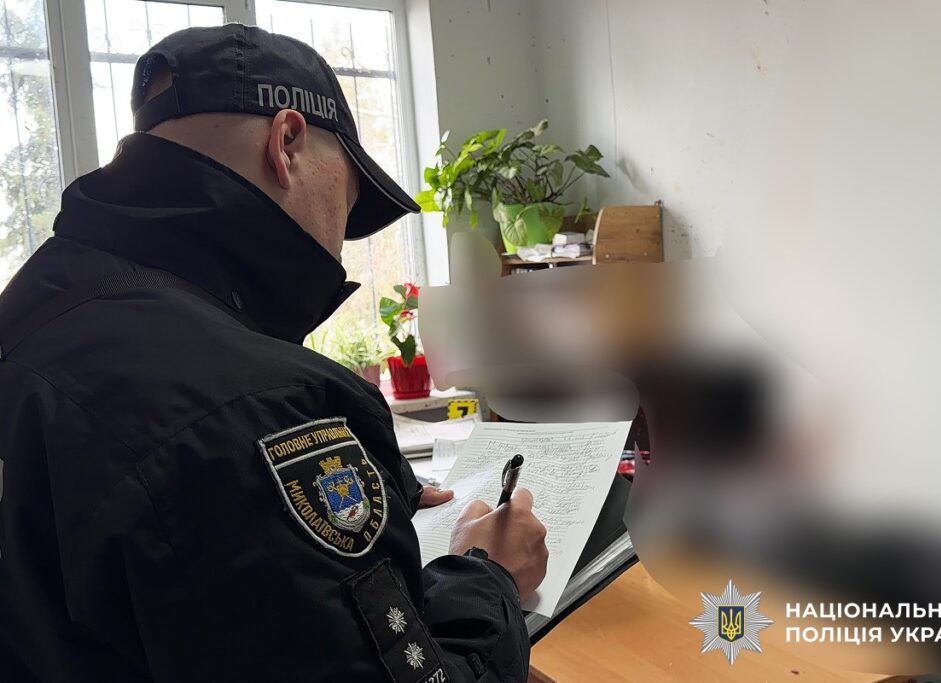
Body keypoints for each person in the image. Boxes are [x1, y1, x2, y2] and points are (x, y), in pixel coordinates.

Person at [0, 24, 547, 682]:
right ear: (286, 143)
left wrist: (380, 487)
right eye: (347, 202)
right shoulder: (256, 406)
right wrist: (490, 575)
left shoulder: (39, 303)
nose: (340, 244)